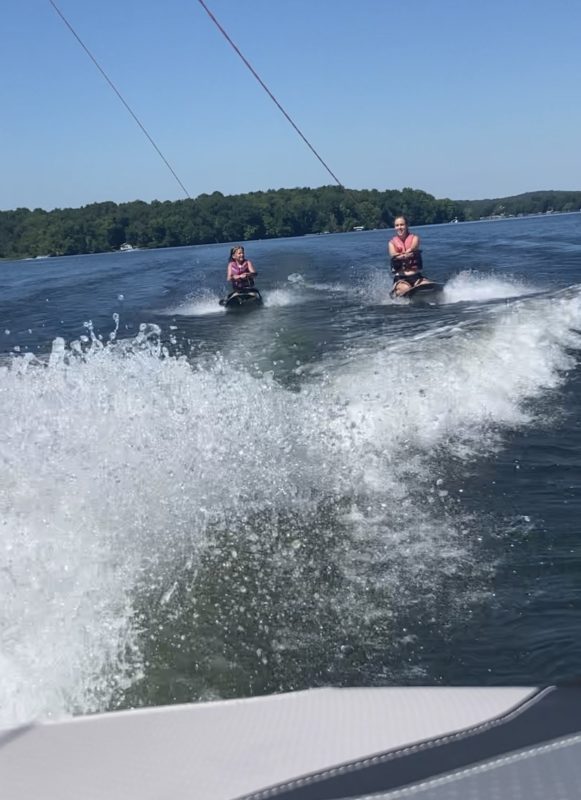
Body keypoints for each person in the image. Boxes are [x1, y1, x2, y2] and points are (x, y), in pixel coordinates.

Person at [388, 216, 429, 297]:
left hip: (416, 276)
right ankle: (397, 290)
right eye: (397, 225)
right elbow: (393, 254)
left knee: (427, 286)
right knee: (405, 289)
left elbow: (413, 247)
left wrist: (403, 253)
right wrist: (403, 255)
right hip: (400, 278)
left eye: (402, 225)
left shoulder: (415, 238)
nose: (399, 227)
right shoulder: (391, 243)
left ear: (407, 226)